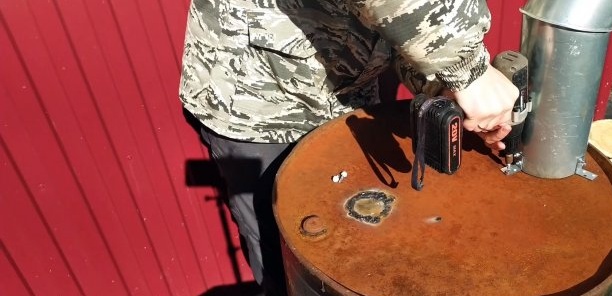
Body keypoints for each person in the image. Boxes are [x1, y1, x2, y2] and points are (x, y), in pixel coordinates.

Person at [179, 0, 518, 294]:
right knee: (288, 264)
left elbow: (391, 25)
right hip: (261, 98)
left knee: (364, 244)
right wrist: (467, 71)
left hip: (350, 87)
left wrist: (442, 86)